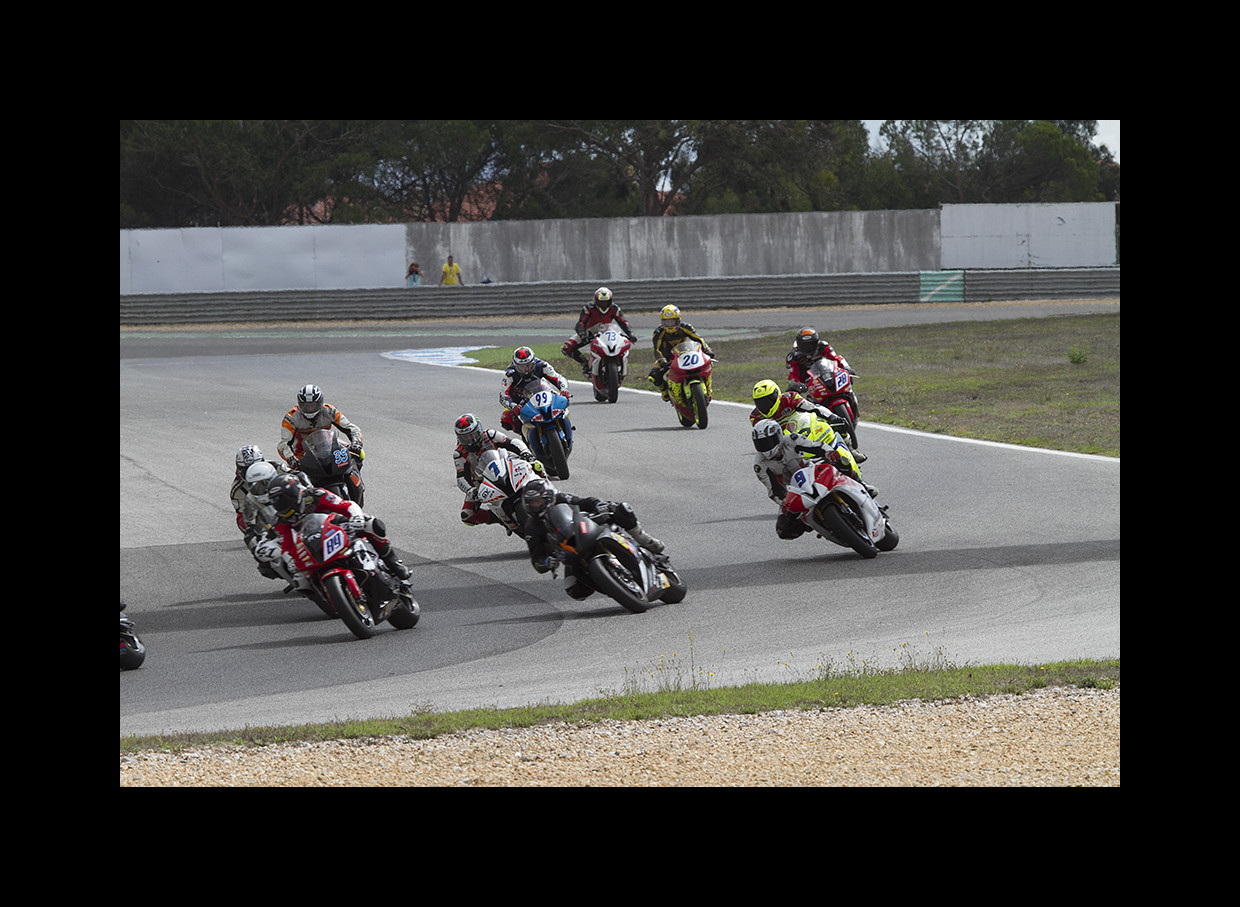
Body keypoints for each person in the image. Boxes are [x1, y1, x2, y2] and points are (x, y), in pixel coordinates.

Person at [252, 473, 411, 592]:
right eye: (280, 506)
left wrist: (356, 517)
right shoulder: (282, 520)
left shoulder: (315, 494)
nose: (286, 510)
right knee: (301, 582)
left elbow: (345, 505)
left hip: (336, 526)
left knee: (371, 523)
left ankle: (393, 563)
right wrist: (292, 561)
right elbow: (287, 544)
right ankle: (325, 596)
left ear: (296, 495)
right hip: (310, 545)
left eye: (286, 503)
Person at [520, 478, 665, 600]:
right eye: (531, 502)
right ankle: (613, 584)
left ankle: (644, 540)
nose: (534, 505)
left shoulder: (561, 499)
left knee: (622, 509)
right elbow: (536, 558)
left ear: (549, 498)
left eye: (538, 501)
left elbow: (584, 502)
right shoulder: (531, 527)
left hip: (586, 529)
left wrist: (599, 504)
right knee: (575, 591)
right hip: (570, 550)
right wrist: (546, 562)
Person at [751, 419, 875, 540]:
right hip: (792, 492)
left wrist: (829, 452)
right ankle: (821, 524)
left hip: (810, 471)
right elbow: (773, 489)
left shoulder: (791, 440)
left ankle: (862, 485)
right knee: (784, 531)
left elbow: (816, 446)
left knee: (842, 462)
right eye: (761, 443)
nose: (765, 447)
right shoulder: (760, 465)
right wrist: (784, 503)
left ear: (778, 436)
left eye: (768, 442)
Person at [453, 412, 544, 529]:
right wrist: (471, 491)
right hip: (482, 482)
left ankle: (548, 490)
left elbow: (513, 443)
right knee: (467, 516)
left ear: (479, 429)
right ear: (459, 437)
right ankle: (500, 519)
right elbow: (461, 478)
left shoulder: (490, 435)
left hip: (505, 467)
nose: (471, 439)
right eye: (465, 437)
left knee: (536, 466)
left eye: (473, 434)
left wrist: (526, 454)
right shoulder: (459, 454)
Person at [230, 445, 310, 577]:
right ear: (239, 470)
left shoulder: (274, 466)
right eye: (246, 469)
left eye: (256, 465)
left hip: (289, 503)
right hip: (267, 518)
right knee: (264, 562)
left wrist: (307, 489)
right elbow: (243, 518)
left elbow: (297, 475)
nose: (253, 471)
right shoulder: (238, 491)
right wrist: (259, 533)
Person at [749, 378, 866, 464]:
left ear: (777, 395)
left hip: (804, 428)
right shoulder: (755, 417)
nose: (765, 405)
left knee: (837, 424)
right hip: (784, 443)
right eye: (760, 402)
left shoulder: (790, 398)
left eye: (768, 400)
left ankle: (851, 450)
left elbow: (813, 407)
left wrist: (831, 416)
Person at [278, 384, 364, 469]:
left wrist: (357, 443)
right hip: (303, 453)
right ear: (300, 403)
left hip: (328, 447)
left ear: (320, 402)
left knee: (358, 454)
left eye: (313, 405)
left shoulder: (330, 411)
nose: (310, 408)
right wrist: (291, 458)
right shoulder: (291, 418)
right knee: (295, 477)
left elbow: (352, 428)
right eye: (306, 405)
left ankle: (355, 479)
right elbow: (283, 444)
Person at [561, 286, 638, 378]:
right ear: (596, 300)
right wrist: (583, 336)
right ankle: (585, 364)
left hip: (607, 330)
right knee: (567, 348)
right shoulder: (588, 308)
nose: (603, 304)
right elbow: (580, 323)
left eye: (606, 302)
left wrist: (631, 334)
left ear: (610, 301)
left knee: (622, 344)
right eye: (601, 302)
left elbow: (623, 322)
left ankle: (619, 365)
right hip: (589, 331)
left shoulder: (614, 308)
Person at [647, 304, 716, 401]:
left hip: (684, 354)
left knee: (708, 363)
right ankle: (665, 391)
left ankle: (708, 389)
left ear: (678, 320)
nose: (670, 324)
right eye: (667, 321)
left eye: (672, 321)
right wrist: (662, 362)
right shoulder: (658, 332)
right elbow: (657, 350)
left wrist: (707, 351)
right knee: (653, 375)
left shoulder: (686, 327)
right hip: (667, 358)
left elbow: (699, 339)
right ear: (662, 321)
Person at [499, 346, 572, 434]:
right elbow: (503, 395)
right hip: (519, 401)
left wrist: (564, 389)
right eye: (521, 367)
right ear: (515, 365)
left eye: (528, 365)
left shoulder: (542, 365)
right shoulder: (509, 375)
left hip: (543, 393)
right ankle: (524, 435)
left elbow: (557, 377)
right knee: (506, 420)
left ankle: (566, 425)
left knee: (563, 401)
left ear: (533, 362)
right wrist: (513, 405)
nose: (526, 369)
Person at [785, 327, 853, 386]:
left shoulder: (822, 346)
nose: (809, 347)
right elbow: (793, 375)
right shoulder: (793, 356)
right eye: (805, 345)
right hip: (805, 382)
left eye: (812, 344)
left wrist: (847, 368)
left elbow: (835, 357)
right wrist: (797, 384)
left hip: (823, 376)